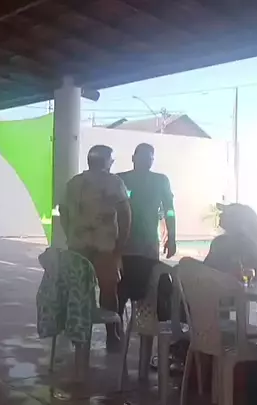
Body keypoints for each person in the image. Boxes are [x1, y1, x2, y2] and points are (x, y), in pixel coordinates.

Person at [59, 144, 132, 352]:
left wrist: (71, 235)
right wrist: (120, 246)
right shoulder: (113, 182)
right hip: (105, 246)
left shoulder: (74, 183)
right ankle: (112, 335)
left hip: (78, 246)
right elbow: (125, 214)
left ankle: (79, 334)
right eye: (111, 160)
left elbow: (63, 211)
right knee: (108, 291)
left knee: (79, 291)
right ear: (107, 161)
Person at [116, 143, 177, 318]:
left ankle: (145, 324)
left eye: (149, 158)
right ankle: (117, 328)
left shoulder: (160, 180)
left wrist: (171, 236)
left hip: (148, 245)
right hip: (124, 244)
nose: (146, 161)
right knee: (121, 288)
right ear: (133, 158)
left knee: (150, 287)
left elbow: (169, 210)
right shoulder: (120, 179)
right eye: (142, 157)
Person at [204, 202, 257, 281]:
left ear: (238, 220)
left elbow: (206, 271)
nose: (220, 215)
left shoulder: (221, 243)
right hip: (253, 287)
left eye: (227, 214)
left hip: (225, 287)